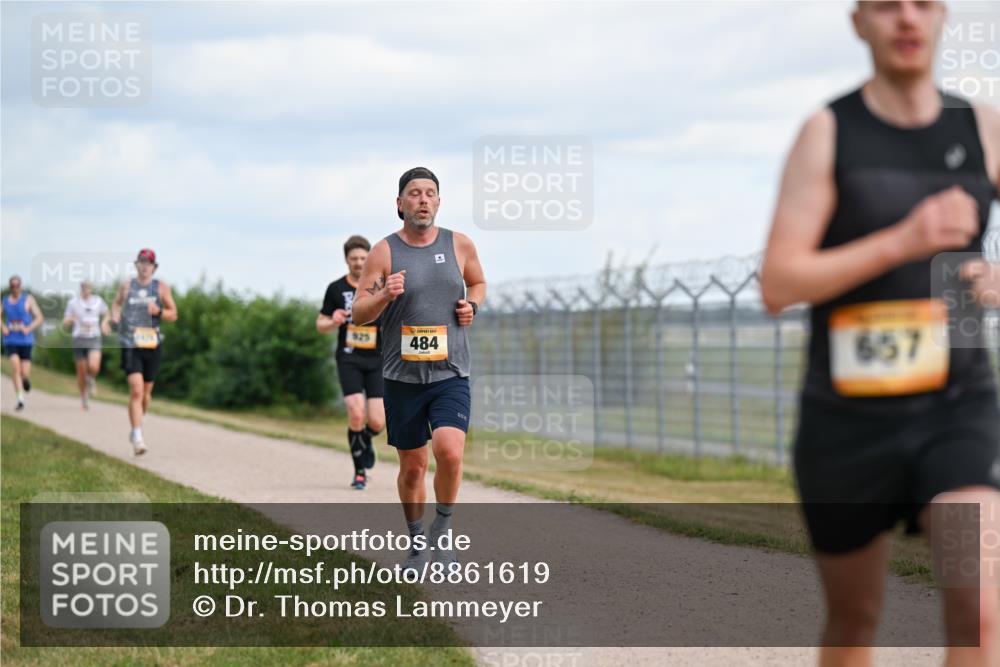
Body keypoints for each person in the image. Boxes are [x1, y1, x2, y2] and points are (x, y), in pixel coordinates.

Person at [760, 2, 1000, 665]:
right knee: (855, 615)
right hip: (848, 418)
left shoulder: (981, 126)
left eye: (922, 3)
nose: (906, 19)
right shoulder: (828, 131)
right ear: (858, 21)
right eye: (886, 5)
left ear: (944, 17)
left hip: (957, 404)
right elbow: (779, 283)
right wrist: (904, 240)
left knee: (978, 608)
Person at [352, 167, 486, 570]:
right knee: (413, 467)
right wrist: (384, 296)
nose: (423, 199)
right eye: (414, 193)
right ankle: (416, 545)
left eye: (430, 193)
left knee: (449, 451)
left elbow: (478, 283)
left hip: (450, 372)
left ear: (439, 202)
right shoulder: (384, 252)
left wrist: (472, 305)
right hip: (402, 378)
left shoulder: (460, 244)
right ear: (400, 204)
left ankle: (442, 533)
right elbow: (358, 313)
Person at [317, 235, 385, 490]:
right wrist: (332, 320)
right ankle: (359, 473)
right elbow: (320, 324)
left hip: (377, 359)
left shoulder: (381, 286)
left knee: (378, 421)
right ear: (346, 260)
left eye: (363, 258)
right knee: (356, 411)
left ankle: (364, 439)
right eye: (353, 258)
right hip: (349, 358)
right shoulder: (336, 289)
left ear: (370, 258)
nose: (358, 263)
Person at [109, 249, 178, 455]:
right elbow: (116, 305)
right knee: (136, 390)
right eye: (141, 262)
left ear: (154, 267)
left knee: (146, 393)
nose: (144, 266)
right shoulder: (127, 286)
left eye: (148, 263)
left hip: (152, 343)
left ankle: (138, 422)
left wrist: (159, 312)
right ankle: (137, 436)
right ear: (137, 265)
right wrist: (114, 317)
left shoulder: (161, 288)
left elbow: (174, 314)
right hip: (130, 343)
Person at [63, 281, 110, 410]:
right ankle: (84, 398)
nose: (86, 290)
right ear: (81, 289)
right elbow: (65, 321)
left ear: (91, 289)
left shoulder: (98, 301)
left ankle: (91, 379)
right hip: (79, 338)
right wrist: (72, 320)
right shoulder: (73, 303)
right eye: (83, 288)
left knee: (94, 366)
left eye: (88, 288)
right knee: (81, 372)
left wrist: (105, 323)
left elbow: (107, 313)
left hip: (94, 337)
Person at [1, 275, 44, 411]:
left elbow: (39, 318)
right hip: (11, 339)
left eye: (17, 285)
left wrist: (28, 328)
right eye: (12, 285)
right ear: (10, 287)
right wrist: (3, 327)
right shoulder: (5, 301)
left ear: (21, 286)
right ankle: (20, 399)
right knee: (15, 367)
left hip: (25, 340)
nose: (15, 288)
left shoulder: (28, 299)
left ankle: (25, 381)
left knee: (24, 373)